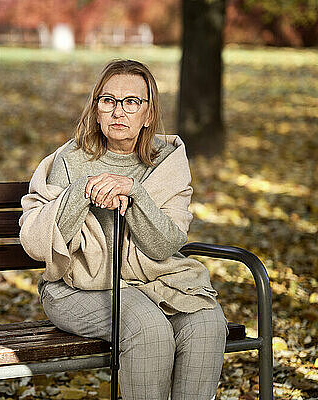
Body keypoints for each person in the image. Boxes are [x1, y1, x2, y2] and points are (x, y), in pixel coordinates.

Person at [19, 60, 228, 400]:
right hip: (76, 287)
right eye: (108, 101)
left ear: (148, 114)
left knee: (206, 324)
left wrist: (134, 191)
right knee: (148, 329)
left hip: (155, 279)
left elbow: (165, 246)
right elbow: (38, 241)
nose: (119, 111)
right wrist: (85, 190)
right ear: (96, 109)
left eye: (131, 102)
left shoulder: (166, 161)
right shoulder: (70, 160)